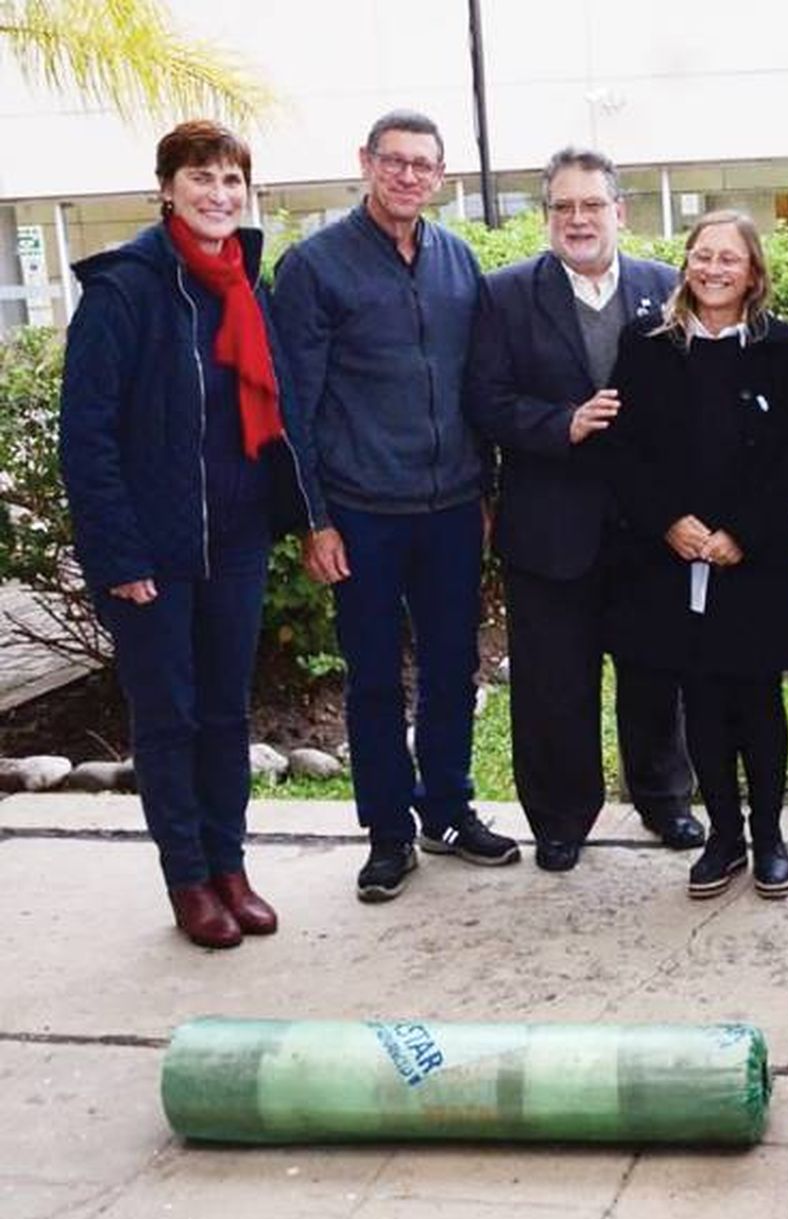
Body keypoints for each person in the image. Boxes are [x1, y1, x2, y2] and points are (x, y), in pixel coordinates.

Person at [60, 121, 324, 947]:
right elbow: (87, 436)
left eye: (232, 180)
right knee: (169, 717)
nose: (219, 194)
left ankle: (231, 864)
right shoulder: (125, 290)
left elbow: (282, 414)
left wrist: (308, 515)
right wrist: (120, 554)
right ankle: (188, 878)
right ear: (166, 188)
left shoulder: (243, 283)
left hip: (236, 539)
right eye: (201, 178)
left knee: (222, 712)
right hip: (154, 554)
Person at [272, 110, 517, 902]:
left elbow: (477, 390)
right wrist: (315, 518)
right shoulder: (315, 267)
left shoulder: (457, 260)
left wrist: (484, 490)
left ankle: (446, 808)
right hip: (362, 513)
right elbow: (293, 406)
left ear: (439, 177)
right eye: (395, 162)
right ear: (366, 164)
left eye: (423, 165)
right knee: (374, 677)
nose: (408, 176)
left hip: (450, 507)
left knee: (453, 666)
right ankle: (387, 832)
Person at [465, 147, 701, 873]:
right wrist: (560, 423)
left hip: (649, 530)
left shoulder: (668, 290)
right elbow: (485, 400)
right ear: (546, 218)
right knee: (553, 684)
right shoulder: (503, 296)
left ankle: (665, 798)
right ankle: (561, 818)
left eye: (592, 205)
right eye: (563, 207)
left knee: (655, 674)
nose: (579, 219)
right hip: (551, 527)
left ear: (619, 213)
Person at [604, 211, 788, 899]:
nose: (714, 269)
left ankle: (769, 837)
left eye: (730, 258)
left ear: (753, 272)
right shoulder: (646, 344)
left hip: (756, 559)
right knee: (699, 702)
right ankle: (722, 835)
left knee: (758, 701)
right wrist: (668, 521)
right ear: (685, 264)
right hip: (672, 557)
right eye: (702, 255)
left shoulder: (786, 348)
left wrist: (742, 533)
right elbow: (625, 449)